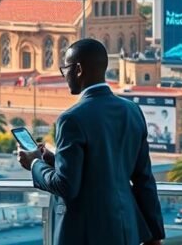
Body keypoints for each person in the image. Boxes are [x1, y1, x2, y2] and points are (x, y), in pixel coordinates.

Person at [18, 38, 164, 245]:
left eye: (65, 69)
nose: (64, 75)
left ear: (78, 69)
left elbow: (66, 186)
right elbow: (143, 179)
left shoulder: (71, 119)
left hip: (86, 234)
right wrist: (155, 235)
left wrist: (34, 163)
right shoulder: (132, 110)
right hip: (127, 231)